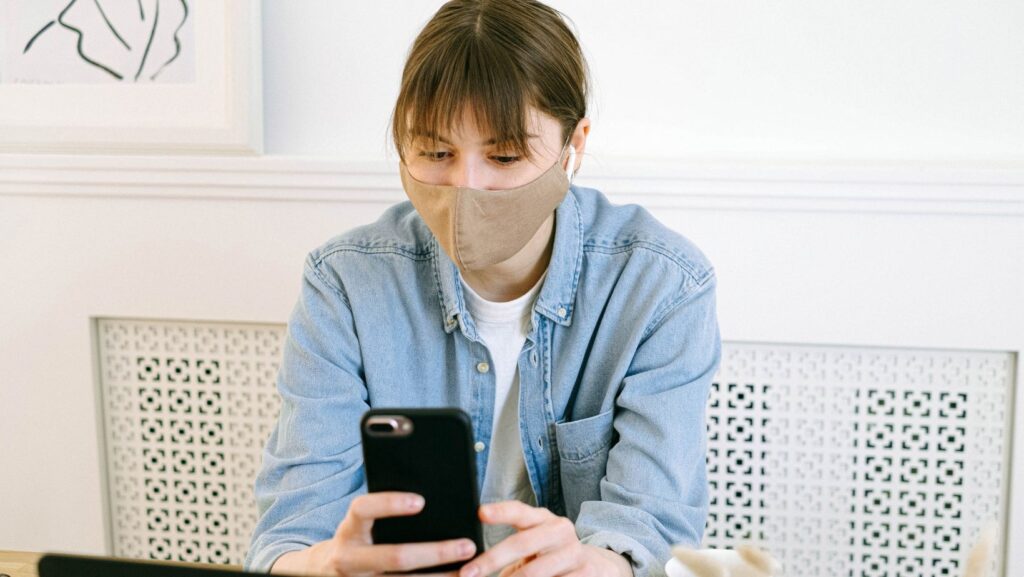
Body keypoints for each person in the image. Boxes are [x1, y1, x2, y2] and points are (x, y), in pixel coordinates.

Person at [244, 2, 720, 576]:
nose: (466, 185)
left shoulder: (660, 286)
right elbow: (290, 535)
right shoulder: (344, 284)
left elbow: (649, 530)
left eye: (505, 155)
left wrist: (597, 563)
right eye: (435, 152)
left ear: (574, 145)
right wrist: (324, 565)